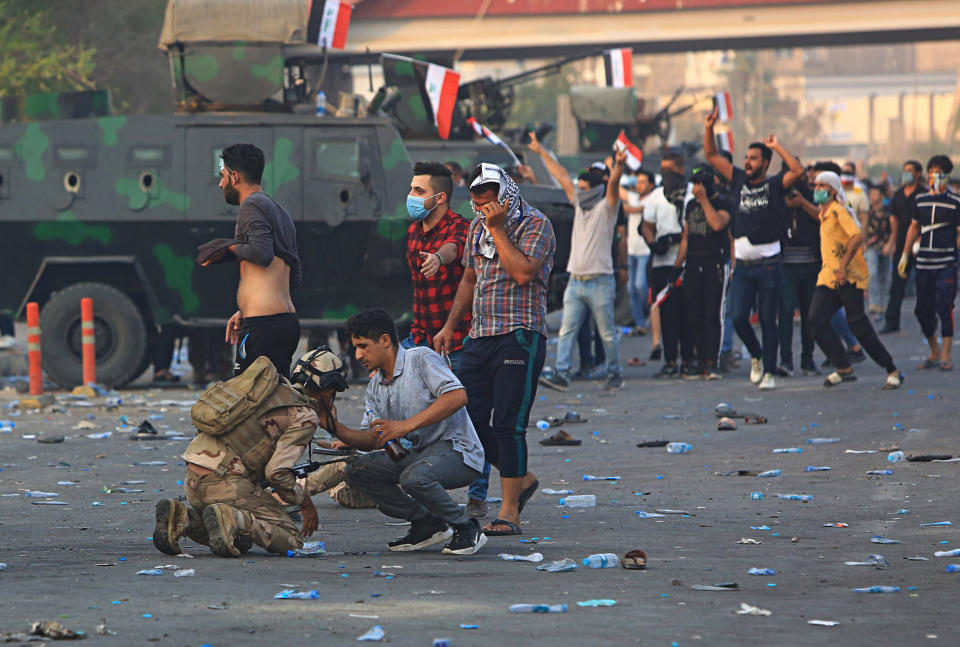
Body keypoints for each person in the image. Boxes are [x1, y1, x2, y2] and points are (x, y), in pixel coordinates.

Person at [434, 162, 555, 537]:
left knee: (508, 425)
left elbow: (523, 272)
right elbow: (470, 277)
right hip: (479, 335)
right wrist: (451, 325)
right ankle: (523, 477)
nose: (481, 211)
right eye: (475, 204)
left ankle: (508, 512)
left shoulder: (536, 224)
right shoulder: (476, 227)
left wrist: (498, 229)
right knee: (465, 417)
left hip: (519, 334)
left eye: (488, 203)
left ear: (505, 195)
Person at [152, 347, 349, 557]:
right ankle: (232, 517)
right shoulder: (304, 415)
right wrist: (305, 504)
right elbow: (277, 473)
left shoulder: (268, 389)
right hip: (226, 484)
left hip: (193, 481)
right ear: (329, 389)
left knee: (241, 541)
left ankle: (184, 519)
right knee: (291, 539)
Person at [336, 309, 487, 555]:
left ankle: (466, 526)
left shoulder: (420, 358)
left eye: (363, 346)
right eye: (355, 347)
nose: (358, 355)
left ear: (385, 340)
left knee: (414, 478)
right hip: (418, 455)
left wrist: (406, 426)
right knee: (357, 471)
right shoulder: (375, 385)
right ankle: (427, 524)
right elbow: (374, 439)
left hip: (458, 452)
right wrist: (335, 427)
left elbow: (458, 396)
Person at [403, 161, 491, 520]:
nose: (411, 196)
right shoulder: (412, 231)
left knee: (468, 417)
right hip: (420, 338)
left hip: (457, 340)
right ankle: (423, 485)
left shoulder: (463, 229)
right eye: (411, 189)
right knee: (414, 414)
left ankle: (477, 495)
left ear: (440, 197)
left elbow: (454, 248)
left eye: (418, 191)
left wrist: (439, 257)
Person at [704, 106, 805, 390]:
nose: (747, 162)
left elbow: (797, 170)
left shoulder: (774, 185)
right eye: (746, 158)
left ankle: (770, 372)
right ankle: (757, 356)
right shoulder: (737, 180)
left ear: (766, 162)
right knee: (738, 318)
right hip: (743, 267)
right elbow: (712, 156)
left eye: (753, 158)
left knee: (768, 321)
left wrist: (776, 146)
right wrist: (709, 128)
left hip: (769, 264)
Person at [196, 144, 302, 378]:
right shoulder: (279, 210)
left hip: (263, 327)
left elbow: (261, 253)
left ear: (235, 176)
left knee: (249, 406)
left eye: (222, 176)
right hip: (284, 322)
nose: (220, 184)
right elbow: (294, 276)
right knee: (273, 404)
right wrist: (246, 308)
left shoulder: (251, 205)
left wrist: (225, 247)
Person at [534, 140, 626, 391]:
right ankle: (562, 373)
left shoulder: (607, 208)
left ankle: (614, 372)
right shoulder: (579, 204)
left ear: (596, 190)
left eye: (585, 188)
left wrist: (618, 166)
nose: (580, 191)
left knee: (606, 333)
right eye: (580, 187)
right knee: (567, 331)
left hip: (600, 281)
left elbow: (615, 184)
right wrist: (542, 151)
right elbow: (562, 175)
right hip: (576, 281)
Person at [805, 172, 902, 389]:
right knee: (815, 320)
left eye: (822, 185)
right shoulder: (825, 212)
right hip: (829, 277)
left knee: (858, 325)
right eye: (816, 185)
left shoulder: (839, 210)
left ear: (832, 189)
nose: (817, 189)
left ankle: (892, 369)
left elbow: (857, 236)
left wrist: (843, 266)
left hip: (848, 277)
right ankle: (843, 366)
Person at [897, 155, 960, 371]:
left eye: (940, 172)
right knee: (922, 310)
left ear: (947, 176)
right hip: (923, 263)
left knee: (944, 306)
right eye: (932, 171)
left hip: (945, 264)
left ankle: (945, 355)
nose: (935, 176)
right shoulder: (920, 200)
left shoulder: (955, 203)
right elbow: (914, 227)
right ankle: (933, 348)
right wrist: (905, 255)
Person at [673, 164, 733, 379]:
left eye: (699, 184)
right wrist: (676, 267)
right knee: (693, 313)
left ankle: (712, 360)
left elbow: (717, 225)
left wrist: (705, 200)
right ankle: (697, 360)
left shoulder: (723, 202)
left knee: (712, 314)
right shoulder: (690, 206)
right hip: (692, 264)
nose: (696, 188)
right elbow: (686, 238)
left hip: (714, 263)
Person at [642, 151, 692, 378]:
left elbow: (690, 232)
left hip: (687, 263)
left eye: (669, 170)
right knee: (667, 314)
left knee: (688, 314)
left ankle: (690, 359)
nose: (666, 175)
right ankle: (670, 360)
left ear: (681, 169)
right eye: (662, 170)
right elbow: (646, 225)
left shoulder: (691, 193)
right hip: (662, 263)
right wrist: (654, 244)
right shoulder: (655, 196)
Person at [779, 160, 821, 377]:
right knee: (785, 314)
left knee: (809, 315)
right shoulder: (777, 196)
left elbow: (822, 217)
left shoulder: (810, 194)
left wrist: (802, 203)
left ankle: (808, 359)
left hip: (810, 263)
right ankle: (786, 360)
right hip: (786, 265)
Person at [881, 160, 925, 333]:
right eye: (904, 170)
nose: (906, 173)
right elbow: (894, 219)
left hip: (920, 246)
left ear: (918, 174)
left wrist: (920, 238)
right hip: (901, 246)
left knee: (924, 285)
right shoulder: (898, 195)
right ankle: (892, 320)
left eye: (910, 170)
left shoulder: (923, 195)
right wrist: (893, 243)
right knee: (897, 284)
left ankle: (927, 320)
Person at [624, 170, 654, 337]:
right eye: (638, 181)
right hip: (631, 250)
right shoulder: (633, 197)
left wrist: (629, 208)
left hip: (645, 251)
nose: (639, 185)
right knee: (631, 289)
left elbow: (636, 209)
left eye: (643, 181)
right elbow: (618, 192)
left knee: (640, 285)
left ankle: (650, 314)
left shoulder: (653, 199)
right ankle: (640, 324)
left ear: (650, 185)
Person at [864, 183, 892, 315]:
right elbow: (863, 227)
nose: (872, 196)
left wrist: (890, 244)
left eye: (875, 193)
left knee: (884, 276)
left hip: (885, 245)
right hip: (871, 246)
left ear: (881, 195)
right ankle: (873, 303)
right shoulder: (867, 210)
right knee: (872, 273)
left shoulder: (888, 210)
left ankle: (882, 303)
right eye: (871, 194)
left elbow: (893, 229)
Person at [841, 162, 870, 228]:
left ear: (853, 173)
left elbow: (864, 219)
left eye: (848, 172)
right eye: (844, 172)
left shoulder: (860, 191)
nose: (845, 174)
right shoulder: (837, 191)